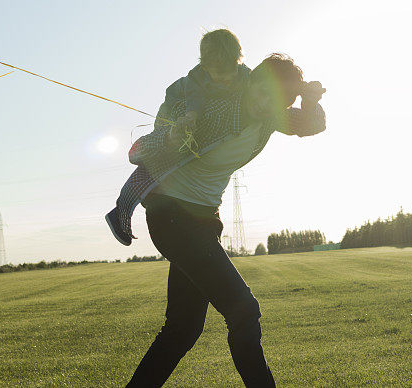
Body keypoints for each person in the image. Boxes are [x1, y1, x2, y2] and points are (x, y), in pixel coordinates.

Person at [105, 53, 326, 387]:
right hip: (171, 215)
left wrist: (309, 101)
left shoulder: (270, 119)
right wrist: (178, 128)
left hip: (201, 223)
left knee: (182, 329)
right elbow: (166, 116)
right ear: (252, 82)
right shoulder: (221, 106)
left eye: (279, 100)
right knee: (244, 312)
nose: (267, 103)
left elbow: (313, 125)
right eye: (265, 92)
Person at [158, 28, 251, 138]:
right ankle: (160, 137)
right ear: (205, 68)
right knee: (163, 127)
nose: (227, 78)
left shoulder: (245, 74)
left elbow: (254, 81)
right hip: (174, 98)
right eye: (220, 75)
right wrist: (191, 116)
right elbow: (195, 99)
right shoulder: (196, 79)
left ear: (238, 60)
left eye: (232, 71)